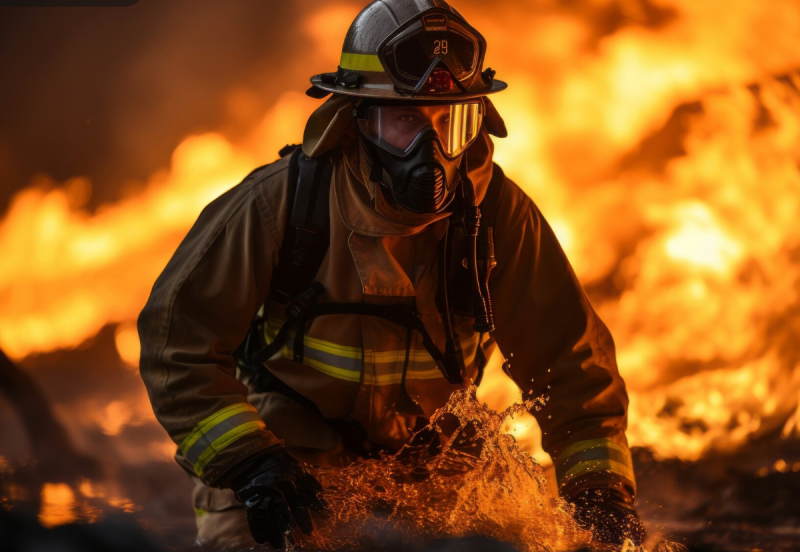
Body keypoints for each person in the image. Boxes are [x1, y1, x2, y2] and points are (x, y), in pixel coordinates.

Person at [138, 0, 645, 549]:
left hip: (435, 471)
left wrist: (600, 493)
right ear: (358, 118)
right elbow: (176, 344)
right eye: (406, 119)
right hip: (290, 467)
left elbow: (573, 370)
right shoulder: (279, 206)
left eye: (450, 122)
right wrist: (249, 463)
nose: (432, 151)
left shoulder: (497, 217)